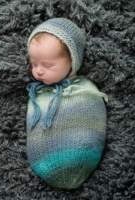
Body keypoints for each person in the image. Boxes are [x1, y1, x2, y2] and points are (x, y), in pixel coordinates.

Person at [26, 18, 108, 189]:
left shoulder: (86, 91)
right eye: (34, 63)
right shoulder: (38, 93)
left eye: (47, 65)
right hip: (42, 163)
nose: (38, 70)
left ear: (72, 60)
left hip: (80, 157)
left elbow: (94, 121)